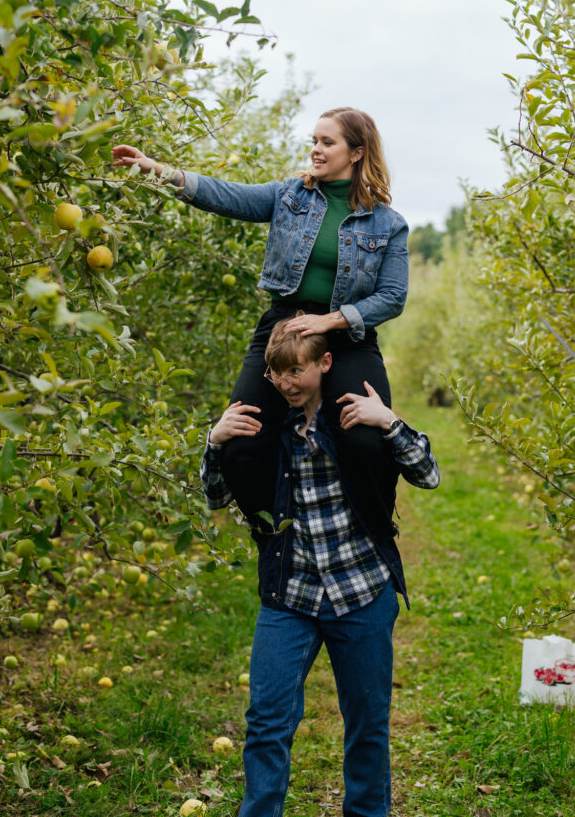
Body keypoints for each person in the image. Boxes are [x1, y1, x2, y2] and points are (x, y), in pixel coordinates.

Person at [111, 107, 408, 526]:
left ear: (357, 153)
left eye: (327, 143)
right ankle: (275, 534)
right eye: (314, 141)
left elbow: (393, 297)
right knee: (241, 444)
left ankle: (374, 530)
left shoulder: (388, 223)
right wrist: (158, 170)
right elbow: (227, 195)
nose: (316, 151)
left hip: (348, 336)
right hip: (282, 329)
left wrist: (330, 321)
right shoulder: (290, 196)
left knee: (366, 440)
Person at [200, 315, 440, 817]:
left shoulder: (353, 420)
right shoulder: (267, 432)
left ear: (325, 363)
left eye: (297, 371)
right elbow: (217, 497)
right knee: (266, 720)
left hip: (361, 589)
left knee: (367, 724)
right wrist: (215, 442)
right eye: (277, 374)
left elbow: (427, 474)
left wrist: (388, 421)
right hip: (292, 594)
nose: (287, 384)